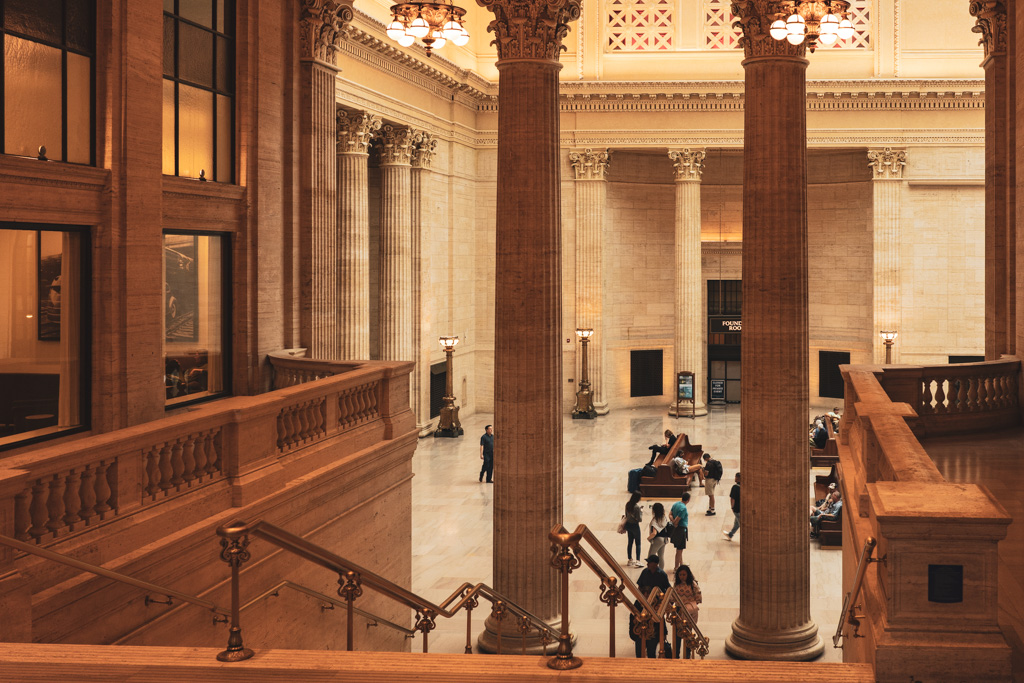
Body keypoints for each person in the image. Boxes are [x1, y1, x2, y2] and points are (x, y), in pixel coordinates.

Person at [628, 588, 671, 659]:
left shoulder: (656, 605)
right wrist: (633, 635)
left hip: (653, 635)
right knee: (639, 655)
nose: (646, 596)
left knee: (651, 654)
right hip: (640, 635)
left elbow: (661, 620)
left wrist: (663, 633)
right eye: (644, 594)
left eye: (648, 594)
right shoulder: (637, 604)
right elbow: (632, 618)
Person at [671, 564, 703, 658]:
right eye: (680, 575)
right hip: (678, 611)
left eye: (684, 574)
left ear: (688, 575)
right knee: (677, 634)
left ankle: (687, 655)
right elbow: (672, 597)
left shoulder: (693, 585)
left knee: (688, 634)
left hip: (689, 612)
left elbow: (698, 597)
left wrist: (690, 605)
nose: (682, 577)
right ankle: (676, 655)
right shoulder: (676, 584)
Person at [669, 491, 690, 569]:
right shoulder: (683, 508)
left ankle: (681, 564)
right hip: (680, 529)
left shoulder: (676, 504)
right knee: (679, 549)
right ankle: (676, 567)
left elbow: (670, 514)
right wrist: (675, 522)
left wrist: (672, 520)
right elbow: (678, 519)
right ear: (688, 500)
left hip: (676, 529)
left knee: (679, 548)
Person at [647, 502, 670, 569]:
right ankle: (661, 571)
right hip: (664, 539)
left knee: (651, 556)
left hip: (657, 540)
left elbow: (654, 533)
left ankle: (650, 571)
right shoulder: (664, 518)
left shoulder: (655, 520)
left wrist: (648, 538)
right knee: (661, 556)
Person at [624, 493, 643, 567]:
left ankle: (630, 559)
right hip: (635, 526)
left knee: (630, 542)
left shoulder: (627, 504)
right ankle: (638, 560)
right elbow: (639, 519)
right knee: (638, 543)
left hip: (628, 525)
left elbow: (626, 514)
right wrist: (641, 512)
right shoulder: (636, 507)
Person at [723, 471, 740, 540]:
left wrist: (732, 507)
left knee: (740, 522)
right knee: (737, 523)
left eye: (735, 477)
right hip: (743, 507)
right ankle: (730, 534)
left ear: (738, 478)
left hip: (737, 508)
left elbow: (732, 498)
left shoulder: (735, 487)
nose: (735, 478)